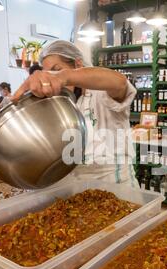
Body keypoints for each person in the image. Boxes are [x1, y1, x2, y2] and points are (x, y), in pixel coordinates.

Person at [13, 40, 138, 187]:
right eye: (48, 73)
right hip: (74, 190)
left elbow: (119, 82)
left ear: (78, 65)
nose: (52, 78)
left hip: (117, 188)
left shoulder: (101, 93)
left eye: (56, 69)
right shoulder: (57, 104)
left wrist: (62, 77)